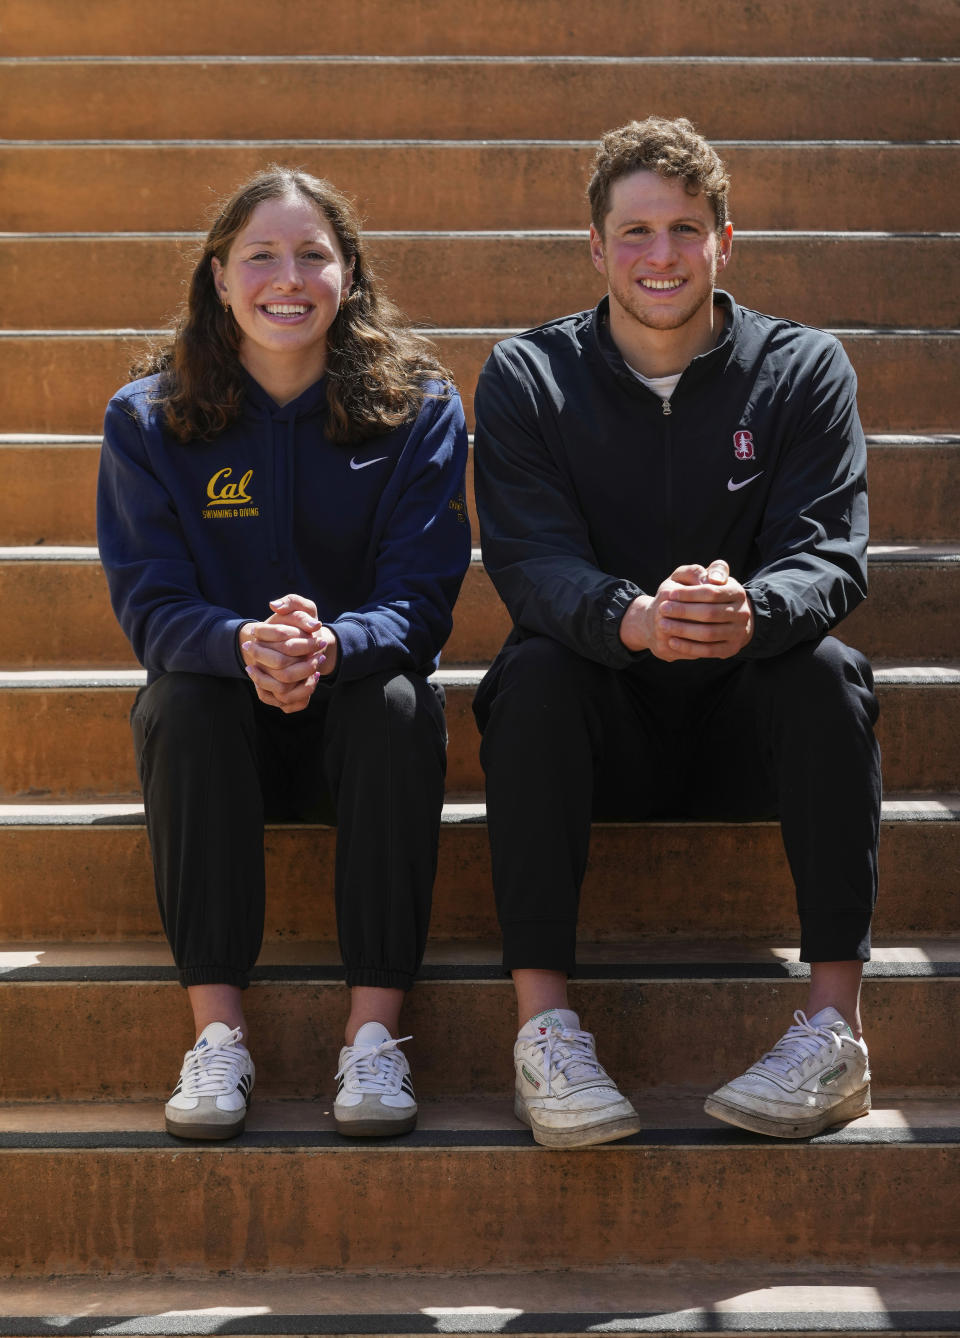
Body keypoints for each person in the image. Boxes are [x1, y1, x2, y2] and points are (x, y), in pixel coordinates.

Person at [472, 117, 880, 1148]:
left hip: (748, 727)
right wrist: (632, 618)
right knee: (530, 678)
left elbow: (829, 552)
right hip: (601, 729)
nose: (663, 256)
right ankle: (545, 1031)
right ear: (597, 248)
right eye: (637, 232)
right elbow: (528, 560)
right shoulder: (529, 374)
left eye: (686, 230)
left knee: (828, 673)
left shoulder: (802, 368)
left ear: (724, 243)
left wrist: (752, 611)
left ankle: (836, 1026)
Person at [98, 166, 470, 1141]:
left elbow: (422, 599)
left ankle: (373, 1039)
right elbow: (151, 605)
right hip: (225, 733)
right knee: (181, 700)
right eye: (261, 254)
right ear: (219, 276)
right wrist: (242, 643)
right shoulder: (146, 419)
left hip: (357, 723)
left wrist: (328, 644)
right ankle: (219, 1037)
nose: (287, 276)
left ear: (350, 274)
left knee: (398, 700)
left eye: (314, 254)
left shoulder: (419, 409)